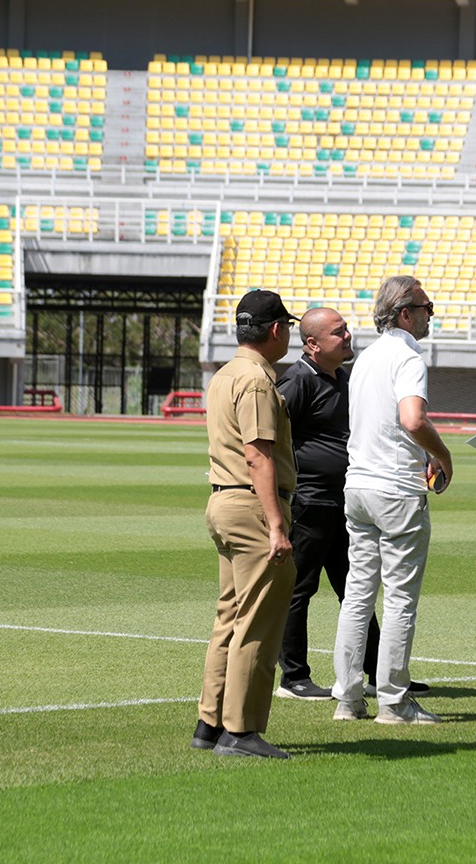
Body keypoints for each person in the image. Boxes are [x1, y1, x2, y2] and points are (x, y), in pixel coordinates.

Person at [273, 307, 431, 702]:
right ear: (312, 344)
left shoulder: (345, 375)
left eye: (346, 329)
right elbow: (269, 436)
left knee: (355, 588)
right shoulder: (296, 382)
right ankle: (293, 677)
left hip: (345, 499)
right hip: (311, 501)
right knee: (300, 588)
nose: (348, 336)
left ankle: (378, 673)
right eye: (337, 332)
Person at [332, 275, 452, 726]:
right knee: (400, 598)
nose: (430, 314)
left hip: (358, 485)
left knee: (358, 595)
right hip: (396, 489)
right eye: (426, 307)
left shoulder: (364, 358)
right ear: (406, 313)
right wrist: (442, 455)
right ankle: (394, 703)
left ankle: (347, 698)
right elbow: (412, 418)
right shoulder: (407, 356)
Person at [193, 289, 300, 760]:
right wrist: (277, 525)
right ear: (275, 330)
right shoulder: (256, 381)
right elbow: (258, 455)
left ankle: (210, 722)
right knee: (258, 620)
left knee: (230, 617)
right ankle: (242, 730)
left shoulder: (224, 375)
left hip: (223, 501)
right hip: (253, 505)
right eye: (288, 327)